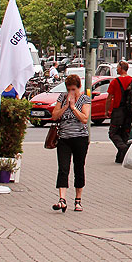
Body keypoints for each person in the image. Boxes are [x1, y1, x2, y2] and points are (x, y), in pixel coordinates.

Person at [51, 74, 90, 213]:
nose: (71, 92)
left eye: (73, 89)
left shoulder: (85, 99)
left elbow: (85, 119)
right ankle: (62, 199)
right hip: (64, 138)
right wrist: (66, 106)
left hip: (80, 138)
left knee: (79, 168)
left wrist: (73, 107)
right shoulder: (62, 98)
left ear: (79, 87)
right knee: (63, 168)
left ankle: (78, 200)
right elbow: (54, 116)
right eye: (69, 89)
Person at [107, 61, 132, 163]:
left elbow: (109, 97)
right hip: (129, 111)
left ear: (121, 68)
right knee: (125, 133)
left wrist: (107, 110)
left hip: (118, 110)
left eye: (117, 67)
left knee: (113, 133)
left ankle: (124, 148)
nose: (116, 69)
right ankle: (120, 158)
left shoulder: (115, 81)